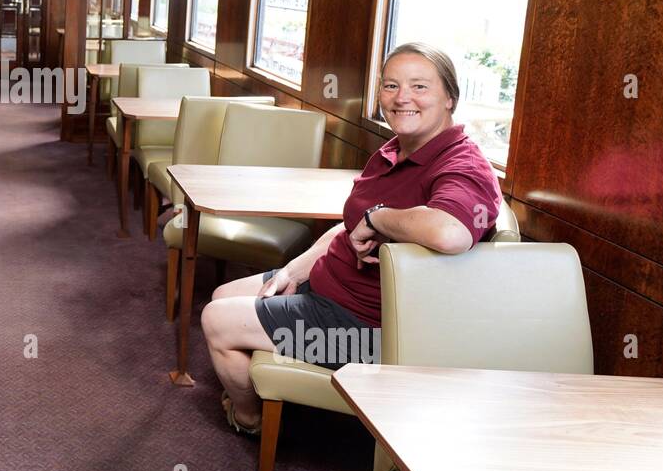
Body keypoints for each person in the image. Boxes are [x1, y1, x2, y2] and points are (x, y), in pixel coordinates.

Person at [200, 42, 502, 434]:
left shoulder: (462, 165)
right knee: (222, 295)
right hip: (329, 289)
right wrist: (297, 267)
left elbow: (451, 232)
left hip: (367, 331)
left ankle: (249, 419)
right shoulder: (396, 150)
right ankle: (275, 389)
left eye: (419, 87)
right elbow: (349, 225)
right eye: (391, 86)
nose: (402, 98)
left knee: (216, 321)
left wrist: (379, 218)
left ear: (451, 98)